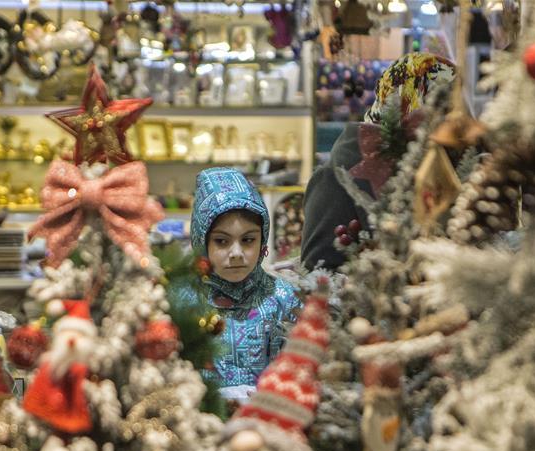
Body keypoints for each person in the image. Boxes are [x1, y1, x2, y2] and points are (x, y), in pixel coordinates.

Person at [301, 53, 456, 271]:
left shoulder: (450, 165)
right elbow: (318, 277)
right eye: (442, 106)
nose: (454, 119)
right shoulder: (337, 177)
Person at [190, 167, 301, 405]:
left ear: (262, 241)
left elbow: (301, 370)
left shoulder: (283, 298)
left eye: (248, 240)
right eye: (222, 241)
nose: (237, 253)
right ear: (202, 242)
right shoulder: (185, 301)